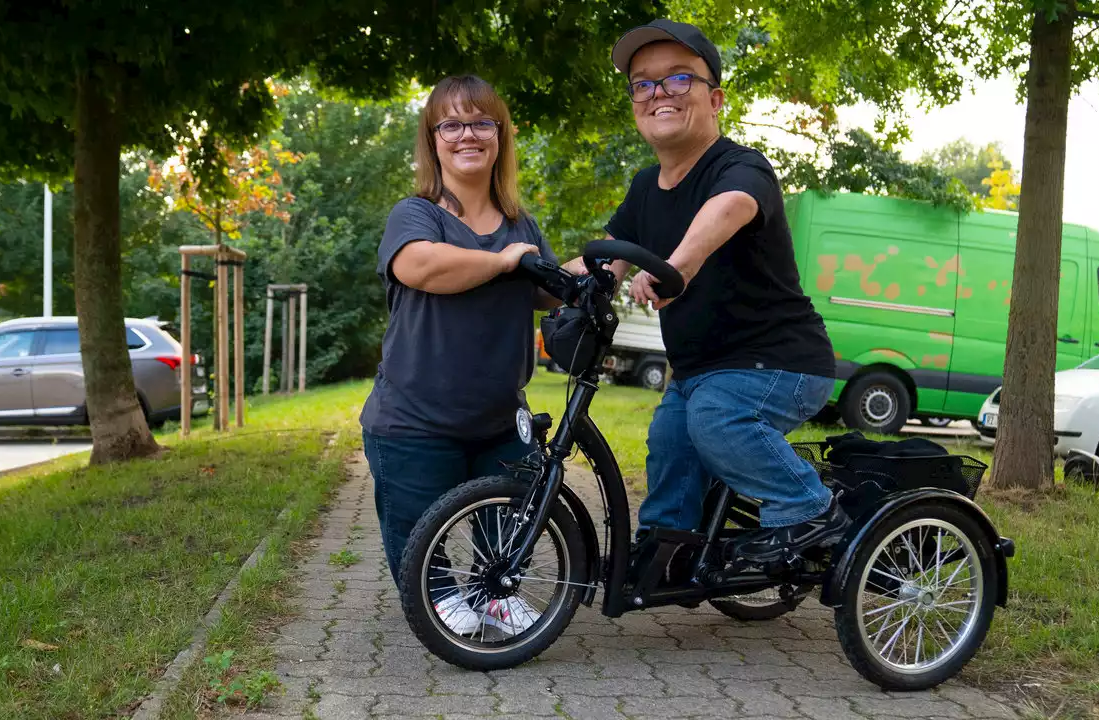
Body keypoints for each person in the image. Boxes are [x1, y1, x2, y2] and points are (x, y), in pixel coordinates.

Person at [566, 19, 847, 563]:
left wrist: (678, 266)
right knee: (670, 444)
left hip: (779, 363)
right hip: (699, 371)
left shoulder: (740, 166)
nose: (658, 94)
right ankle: (669, 551)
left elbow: (729, 209)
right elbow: (605, 254)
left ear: (714, 98)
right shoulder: (647, 187)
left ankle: (812, 511)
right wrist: (536, 279)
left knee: (716, 420)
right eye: (643, 84)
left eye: (677, 79)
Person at [359, 74, 558, 634]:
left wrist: (604, 267)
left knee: (504, 522)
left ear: (500, 135)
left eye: (481, 121)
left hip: (497, 413)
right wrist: (503, 263)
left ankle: (494, 593)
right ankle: (439, 592)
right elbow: (421, 266)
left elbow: (546, 287)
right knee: (418, 526)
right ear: (433, 137)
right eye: (452, 123)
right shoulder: (416, 214)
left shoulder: (519, 223)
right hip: (414, 419)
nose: (467, 134)